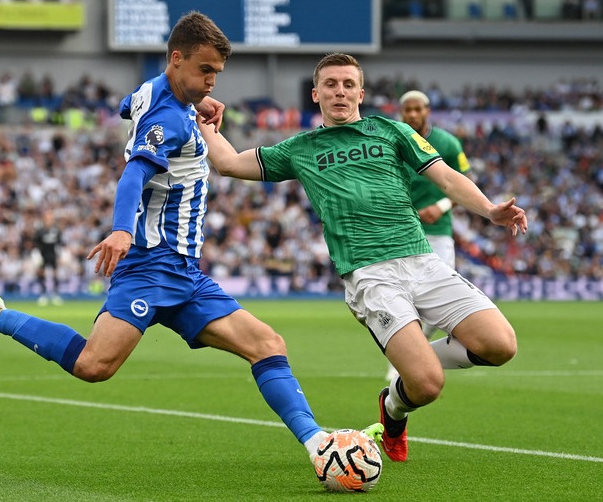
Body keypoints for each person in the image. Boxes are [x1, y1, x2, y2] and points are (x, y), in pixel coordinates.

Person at [0, 11, 340, 475]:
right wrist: (122, 228)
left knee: (267, 344)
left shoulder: (154, 94)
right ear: (177, 59)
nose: (211, 82)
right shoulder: (170, 117)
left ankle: (318, 443)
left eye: (216, 74)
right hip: (149, 266)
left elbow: (129, 105)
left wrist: (193, 104)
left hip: (185, 273)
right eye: (205, 71)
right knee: (93, 366)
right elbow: (135, 173)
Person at [197, 53, 527, 462]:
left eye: (348, 84)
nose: (340, 91)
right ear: (316, 94)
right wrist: (206, 126)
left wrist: (490, 209)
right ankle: (394, 409)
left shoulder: (392, 131)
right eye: (331, 84)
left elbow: (445, 177)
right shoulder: (301, 148)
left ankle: (406, 377)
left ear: (361, 93)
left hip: (422, 260)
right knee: (425, 385)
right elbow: (228, 163)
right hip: (371, 275)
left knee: (501, 345)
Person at [383, 90, 473, 382]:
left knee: (438, 301)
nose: (411, 115)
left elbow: (464, 184)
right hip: (402, 230)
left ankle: (409, 358)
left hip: (438, 231)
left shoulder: (447, 142)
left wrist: (442, 204)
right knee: (402, 298)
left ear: (427, 110)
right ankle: (406, 359)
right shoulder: (394, 142)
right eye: (406, 110)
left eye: (417, 109)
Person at [34, 210, 63, 306]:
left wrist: (59, 256)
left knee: (55, 274)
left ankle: (55, 294)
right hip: (43, 255)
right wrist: (36, 255)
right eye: (48, 219)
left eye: (51, 219)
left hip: (53, 254)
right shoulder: (40, 231)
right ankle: (43, 295)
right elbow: (36, 243)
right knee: (42, 274)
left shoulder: (56, 230)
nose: (49, 220)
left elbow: (59, 244)